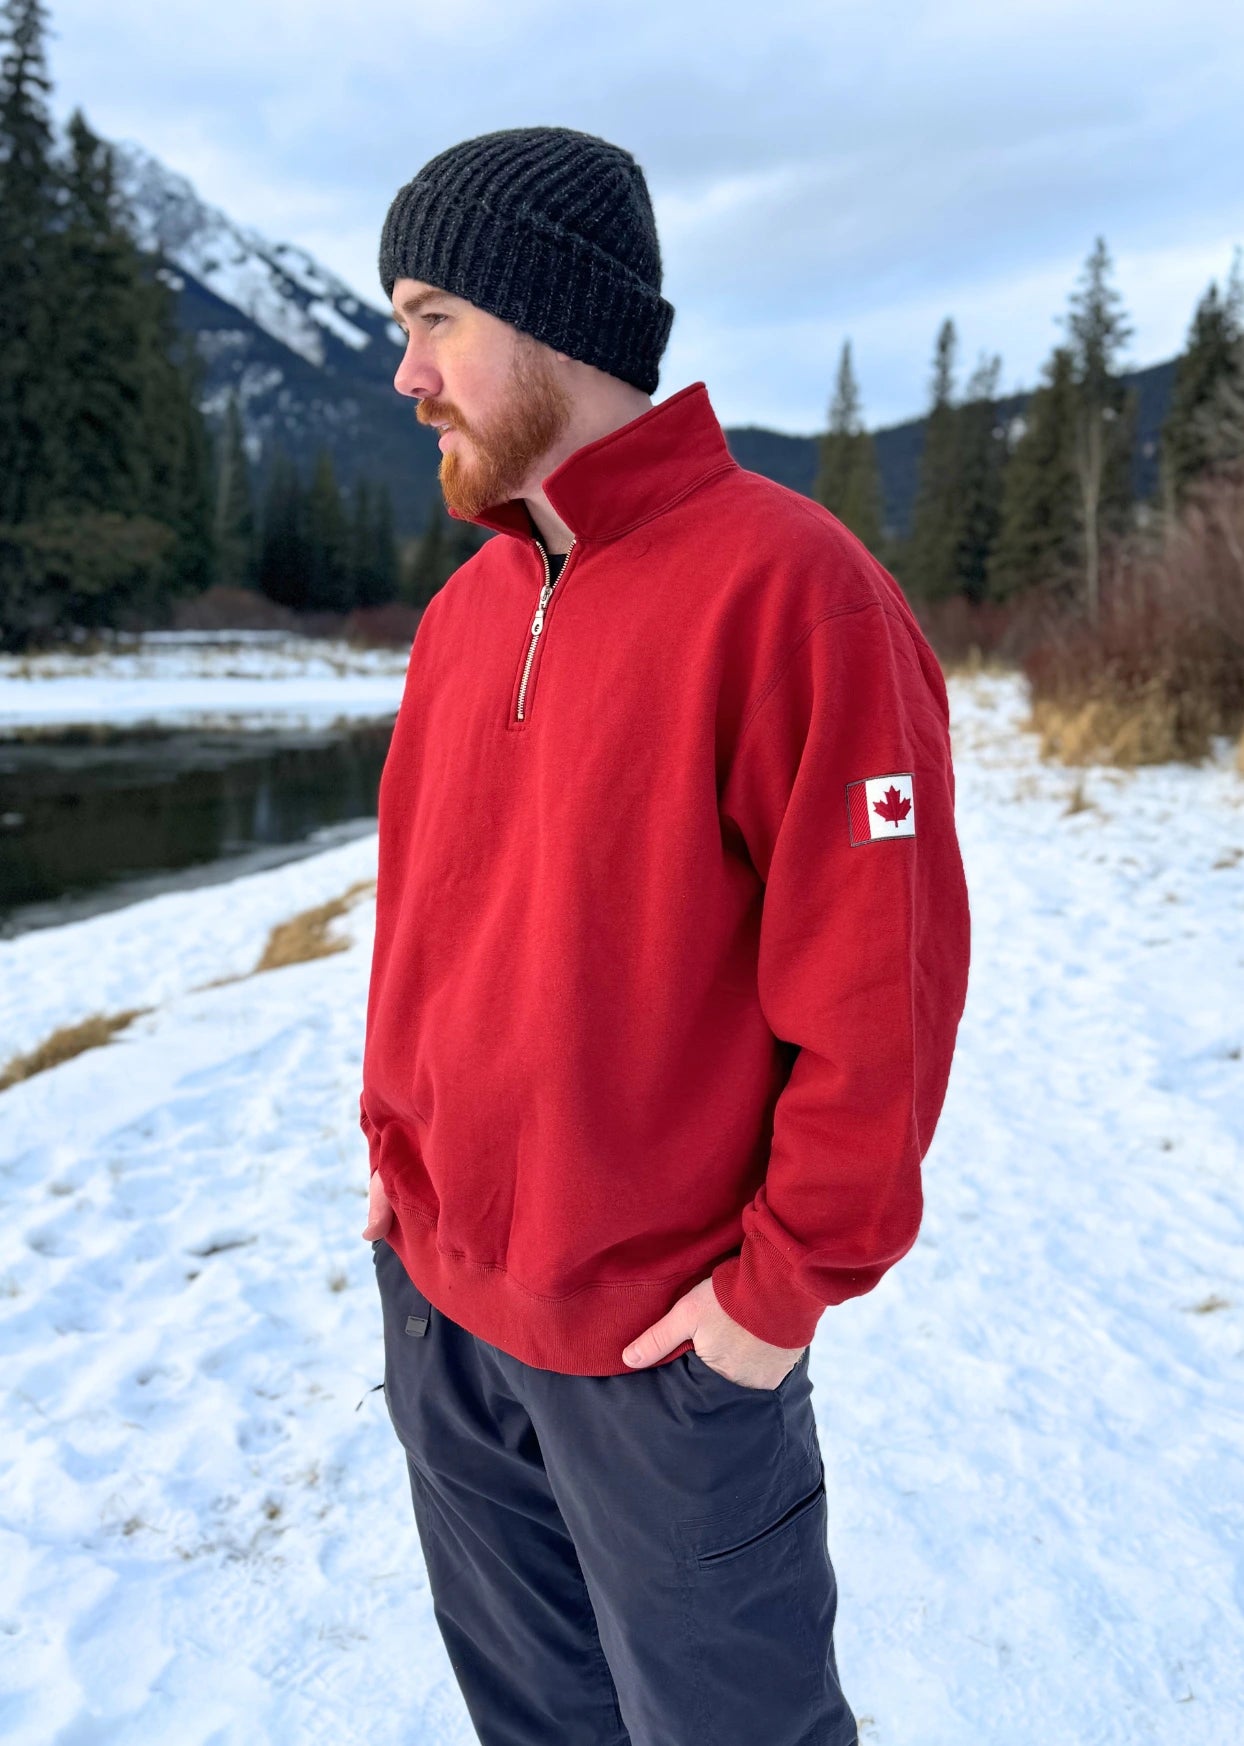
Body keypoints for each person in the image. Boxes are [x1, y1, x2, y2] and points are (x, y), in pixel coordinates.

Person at [359, 124, 971, 1746]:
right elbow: (423, 926)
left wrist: (776, 1300)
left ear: (549, 315)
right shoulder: (463, 609)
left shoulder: (798, 594)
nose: (406, 372)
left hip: (661, 1355)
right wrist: (396, 1158)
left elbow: (882, 1004)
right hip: (443, 1315)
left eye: (433, 319)